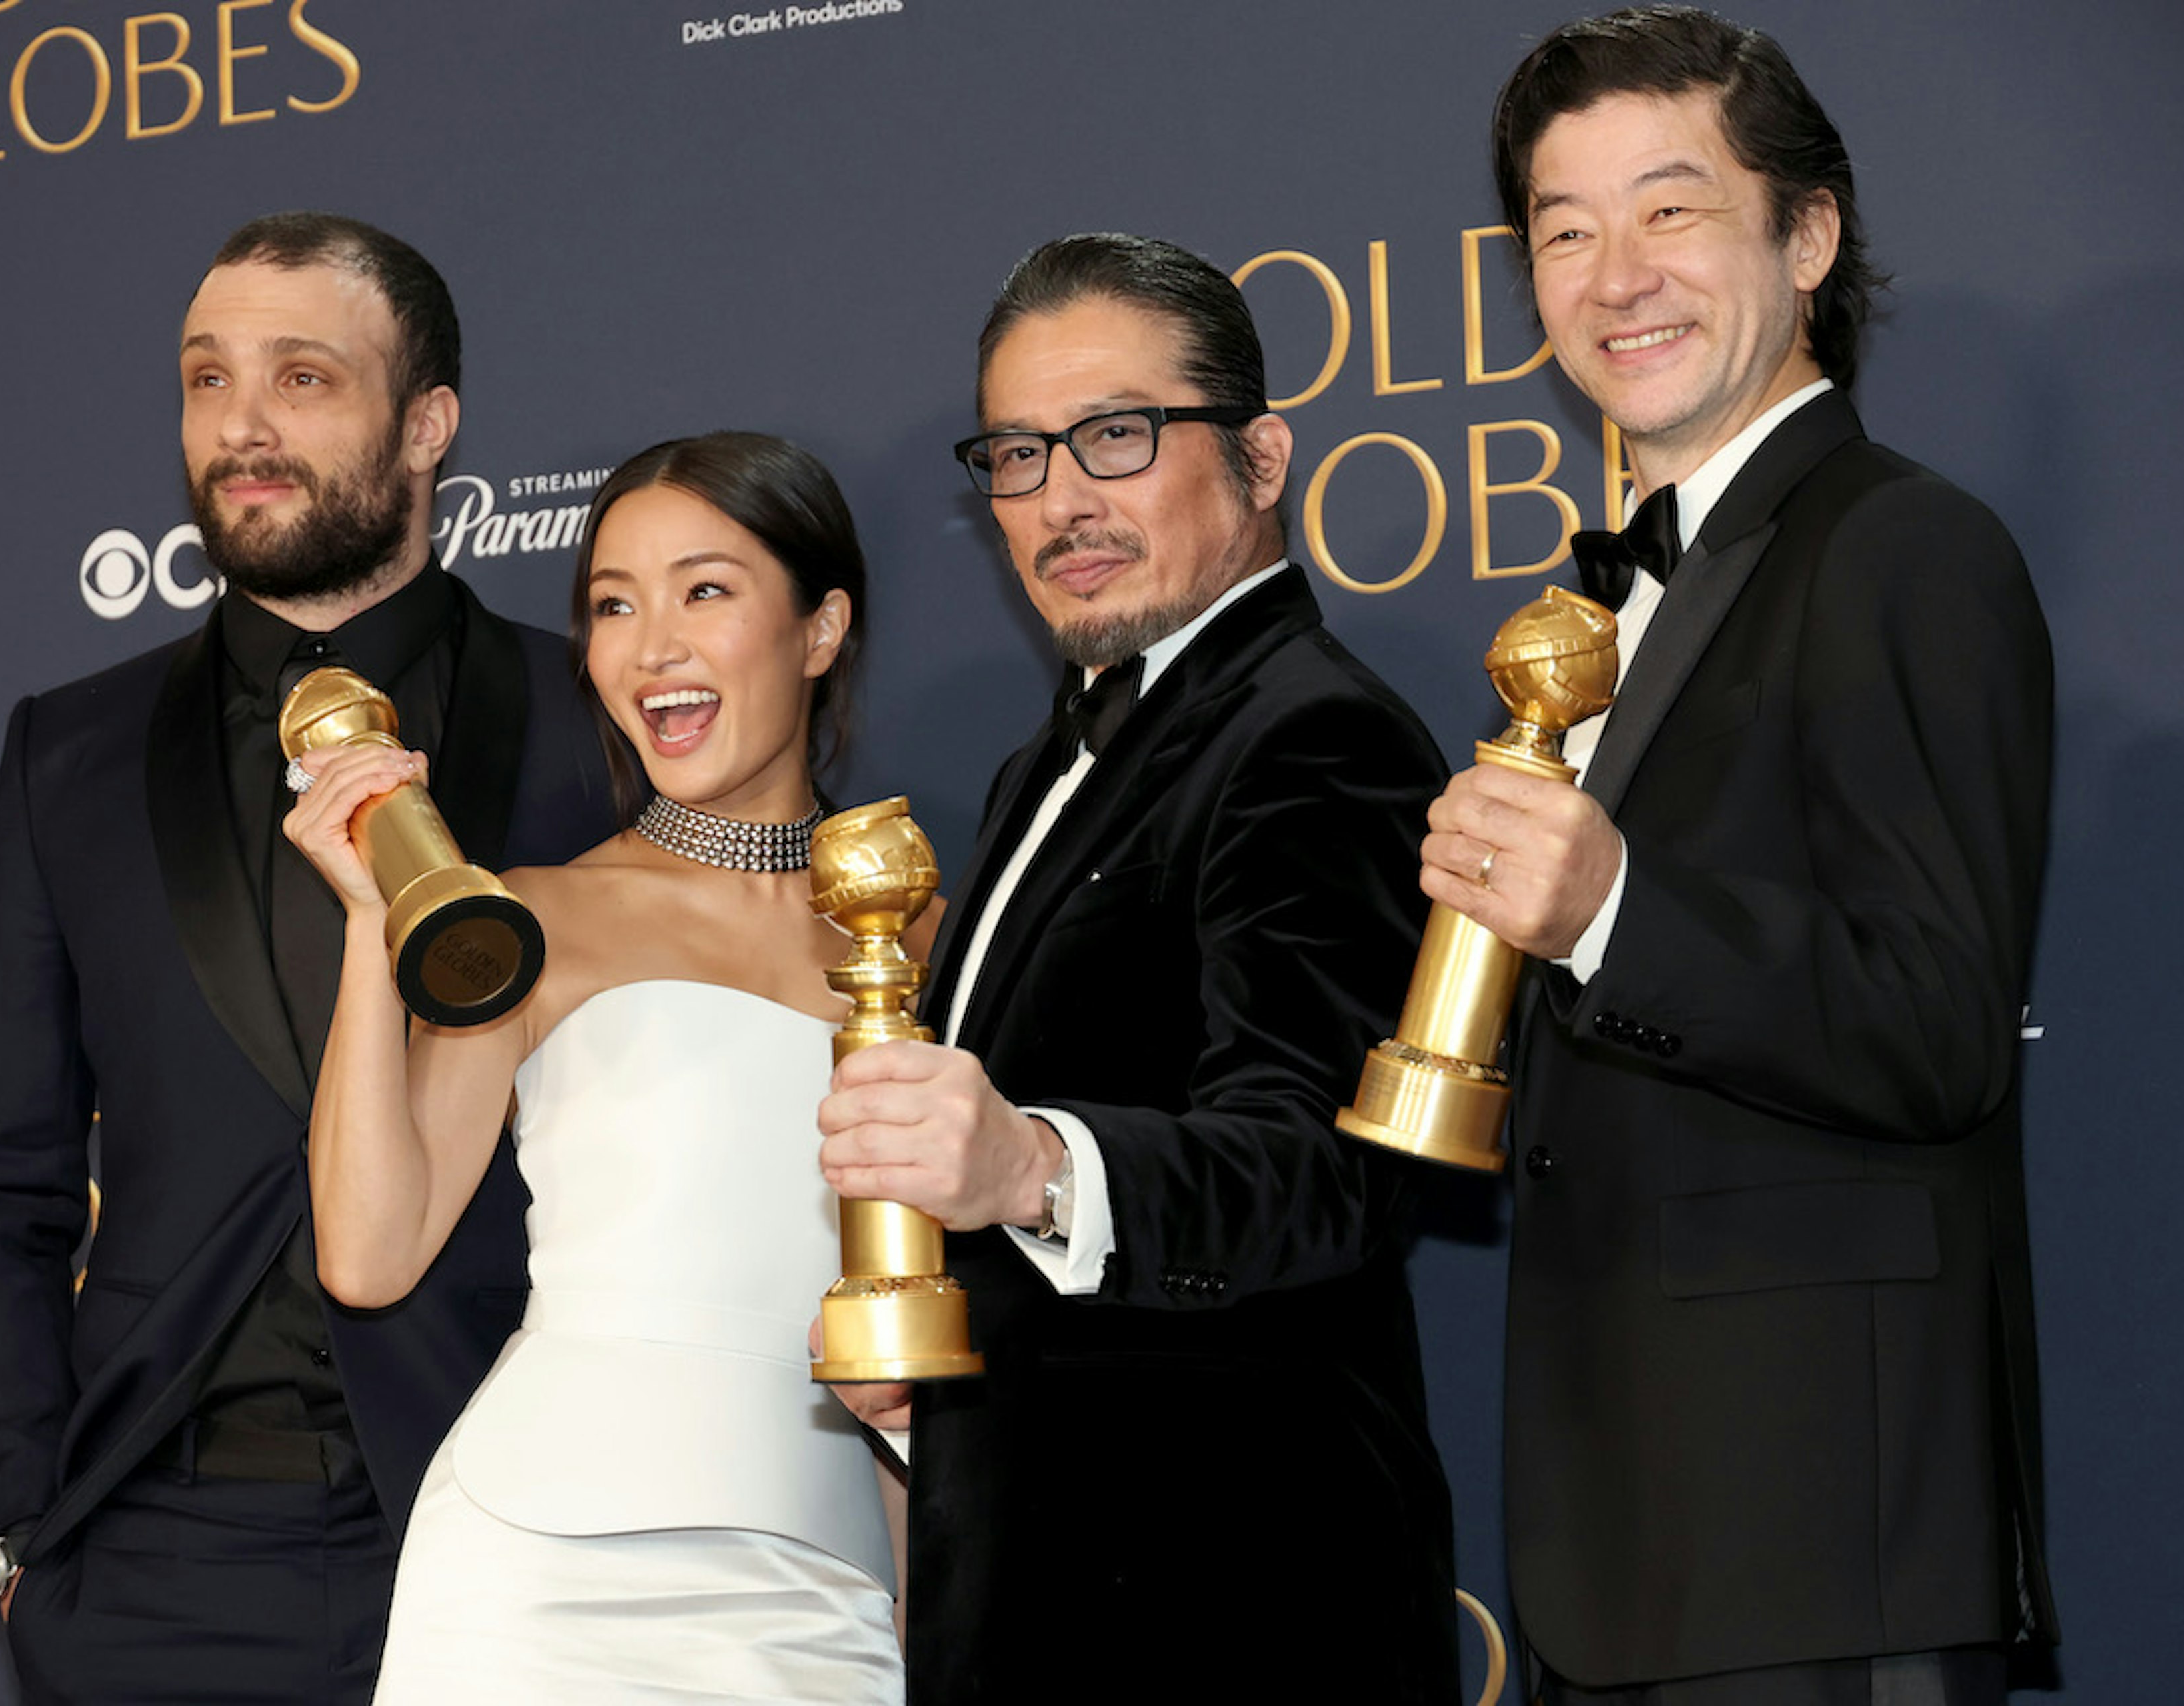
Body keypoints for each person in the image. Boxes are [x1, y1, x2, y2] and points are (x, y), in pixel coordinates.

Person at [1420, 11, 2058, 1702]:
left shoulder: (1907, 547)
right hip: (1619, 1552)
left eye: (1672, 208)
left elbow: (1937, 1024)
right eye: (1564, 229)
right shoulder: (1601, 601)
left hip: (1816, 1552)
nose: (1615, 272)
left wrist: (1611, 909)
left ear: (1809, 235)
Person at [0, 211, 612, 1705]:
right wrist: (13, 1534)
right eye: (206, 376)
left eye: (303, 378)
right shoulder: (70, 752)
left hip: (514, 1517)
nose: (240, 424)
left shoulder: (598, 722)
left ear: (427, 424)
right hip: (159, 1551)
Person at [814, 233, 1460, 1702]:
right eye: (1020, 457)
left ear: (1263, 454)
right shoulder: (1053, 758)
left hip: (1237, 1604)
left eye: (1115, 435)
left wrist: (1033, 1165)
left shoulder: (1313, 735)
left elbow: (1330, 1167)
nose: (1062, 502)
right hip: (1053, 1598)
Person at [283, 431, 904, 1703]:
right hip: (530, 1588)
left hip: (818, 1595)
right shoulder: (533, 915)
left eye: (707, 590)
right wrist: (367, 918)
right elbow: (368, 1248)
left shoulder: (927, 934)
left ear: (822, 627)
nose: (652, 646)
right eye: (613, 605)